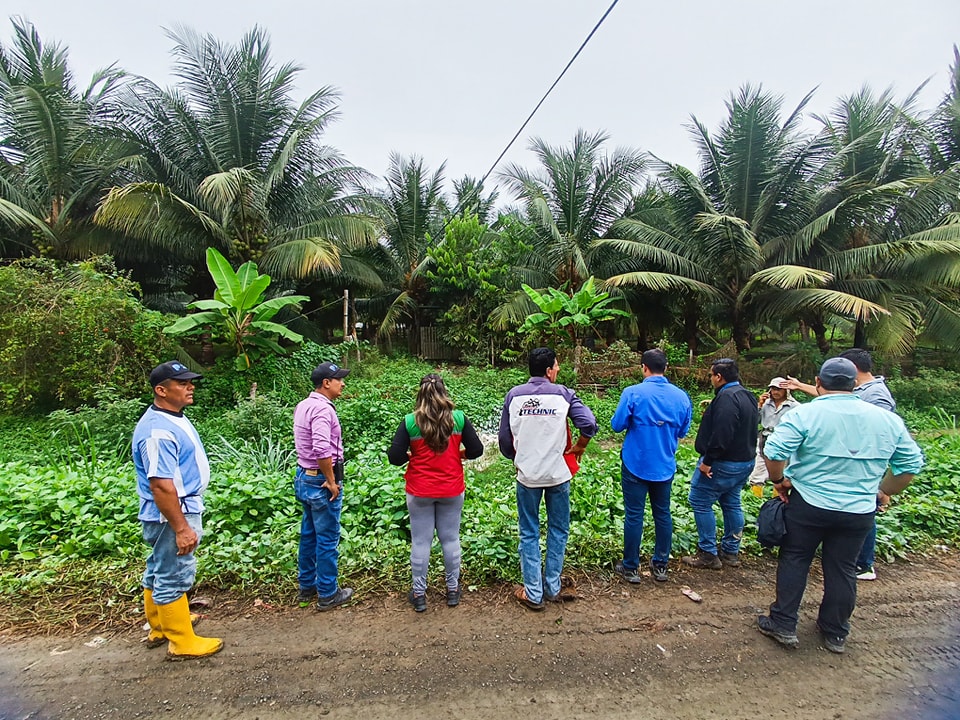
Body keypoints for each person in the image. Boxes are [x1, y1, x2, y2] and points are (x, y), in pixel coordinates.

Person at [757, 357, 923, 654]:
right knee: (843, 567)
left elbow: (775, 450)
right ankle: (835, 631)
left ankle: (783, 623)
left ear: (818, 383)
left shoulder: (805, 414)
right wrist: (883, 491)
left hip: (809, 503)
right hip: (858, 509)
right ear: (854, 384)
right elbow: (910, 464)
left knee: (795, 558)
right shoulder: (886, 419)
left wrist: (779, 480)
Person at [133, 361, 223, 660]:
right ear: (161, 390)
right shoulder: (158, 432)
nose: (190, 387)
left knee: (159, 567)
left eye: (190, 382)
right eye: (182, 383)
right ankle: (181, 641)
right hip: (173, 513)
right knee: (174, 572)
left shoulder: (169, 418)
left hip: (175, 509)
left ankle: (160, 626)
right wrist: (182, 527)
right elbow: (161, 485)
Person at [781, 348, 896, 580]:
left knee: (860, 511)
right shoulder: (858, 390)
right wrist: (800, 386)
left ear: (852, 369)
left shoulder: (876, 395)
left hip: (856, 464)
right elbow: (832, 397)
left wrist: (884, 489)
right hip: (843, 463)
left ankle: (863, 563)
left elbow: (876, 431)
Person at [499, 348, 597, 611]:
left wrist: (518, 458)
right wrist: (580, 445)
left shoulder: (514, 396)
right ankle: (553, 587)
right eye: (556, 366)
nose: (558, 369)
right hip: (558, 475)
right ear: (548, 371)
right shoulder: (563, 394)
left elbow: (505, 441)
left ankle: (533, 592)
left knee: (529, 532)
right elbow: (588, 423)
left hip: (527, 476)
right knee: (558, 529)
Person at [387, 374, 484, 612]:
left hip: (419, 490)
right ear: (444, 392)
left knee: (421, 541)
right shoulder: (458, 419)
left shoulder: (410, 421)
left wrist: (411, 456)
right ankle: (452, 590)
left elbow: (394, 457)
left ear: (420, 394)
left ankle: (419, 594)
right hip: (451, 489)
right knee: (450, 539)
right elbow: (477, 450)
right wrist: (459, 454)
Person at [610, 348, 693, 584]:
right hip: (664, 464)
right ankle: (661, 565)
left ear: (643, 368)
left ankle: (630, 567)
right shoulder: (681, 396)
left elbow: (617, 425)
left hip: (635, 463)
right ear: (666, 368)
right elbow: (683, 431)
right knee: (663, 514)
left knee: (634, 515)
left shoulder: (632, 392)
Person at [682, 358, 759, 570]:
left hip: (723, 462)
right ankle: (731, 551)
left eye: (711, 375)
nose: (710, 379)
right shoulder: (747, 395)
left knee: (700, 500)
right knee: (732, 502)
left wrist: (708, 461)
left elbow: (722, 433)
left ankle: (708, 552)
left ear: (719, 377)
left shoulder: (727, 398)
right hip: (744, 461)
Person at [294, 361, 354, 611]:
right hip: (320, 480)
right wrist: (331, 481)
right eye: (339, 379)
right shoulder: (322, 410)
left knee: (309, 534)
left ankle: (307, 586)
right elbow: (321, 448)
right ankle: (328, 593)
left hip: (304, 476)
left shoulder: (304, 405)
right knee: (327, 538)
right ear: (326, 383)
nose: (343, 384)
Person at [747, 378, 800, 489]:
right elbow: (754, 420)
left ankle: (778, 497)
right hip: (765, 437)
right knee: (758, 470)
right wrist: (759, 405)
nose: (775, 392)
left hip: (783, 439)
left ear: (785, 390)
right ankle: (756, 495)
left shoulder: (795, 406)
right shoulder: (766, 403)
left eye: (779, 389)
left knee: (781, 471)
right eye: (773, 389)